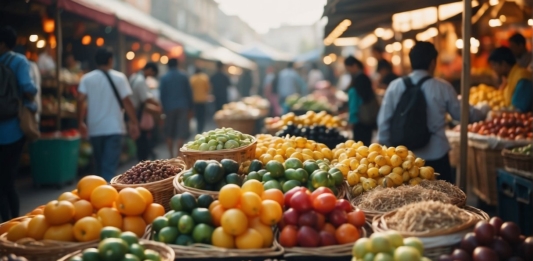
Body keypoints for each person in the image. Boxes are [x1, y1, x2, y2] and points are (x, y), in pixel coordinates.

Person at [377, 41, 488, 183]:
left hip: (404, 162)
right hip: (437, 154)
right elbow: (463, 115)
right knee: (443, 202)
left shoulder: (395, 86)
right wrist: (484, 110)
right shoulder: (442, 87)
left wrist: (389, 155)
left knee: (409, 203)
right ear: (432, 63)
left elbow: (383, 123)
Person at [77, 48, 139, 181]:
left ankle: (99, 195)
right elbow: (127, 102)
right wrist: (134, 123)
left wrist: (80, 122)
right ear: (111, 60)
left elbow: (80, 100)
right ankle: (106, 196)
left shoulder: (86, 78)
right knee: (109, 167)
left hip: (95, 129)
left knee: (99, 166)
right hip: (114, 128)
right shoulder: (119, 77)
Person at [0, 26, 38, 222]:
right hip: (13, 128)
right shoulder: (18, 61)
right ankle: (12, 222)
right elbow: (28, 88)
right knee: (8, 180)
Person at [159, 58, 193, 158]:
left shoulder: (164, 77)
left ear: (168, 65)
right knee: (181, 132)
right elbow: (189, 93)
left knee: (169, 132)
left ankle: (171, 155)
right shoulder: (183, 76)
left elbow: (162, 95)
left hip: (169, 108)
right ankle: (179, 155)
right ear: (177, 64)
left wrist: (163, 108)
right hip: (183, 107)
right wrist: (191, 109)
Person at [129, 62, 162, 161]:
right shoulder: (140, 80)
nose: (150, 76)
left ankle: (143, 160)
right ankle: (143, 162)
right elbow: (146, 98)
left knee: (140, 140)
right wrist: (158, 104)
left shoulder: (133, 77)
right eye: (152, 74)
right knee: (142, 141)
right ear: (149, 70)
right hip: (137, 113)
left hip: (133, 111)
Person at [488, 47, 533, 112]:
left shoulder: (522, 78)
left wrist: (499, 112)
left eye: (494, 65)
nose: (493, 69)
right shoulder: (510, 78)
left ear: (504, 64)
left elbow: (518, 109)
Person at [344, 56, 376, 146]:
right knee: (367, 146)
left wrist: (352, 121)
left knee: (359, 147)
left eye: (348, 68)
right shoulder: (365, 78)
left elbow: (355, 103)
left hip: (360, 120)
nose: (348, 71)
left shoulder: (359, 80)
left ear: (354, 66)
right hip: (367, 118)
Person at [190, 67, 211, 134]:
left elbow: (190, 89)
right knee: (202, 115)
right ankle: (201, 128)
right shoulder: (204, 78)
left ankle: (197, 128)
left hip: (195, 100)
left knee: (197, 115)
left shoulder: (192, 78)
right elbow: (208, 88)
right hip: (203, 100)